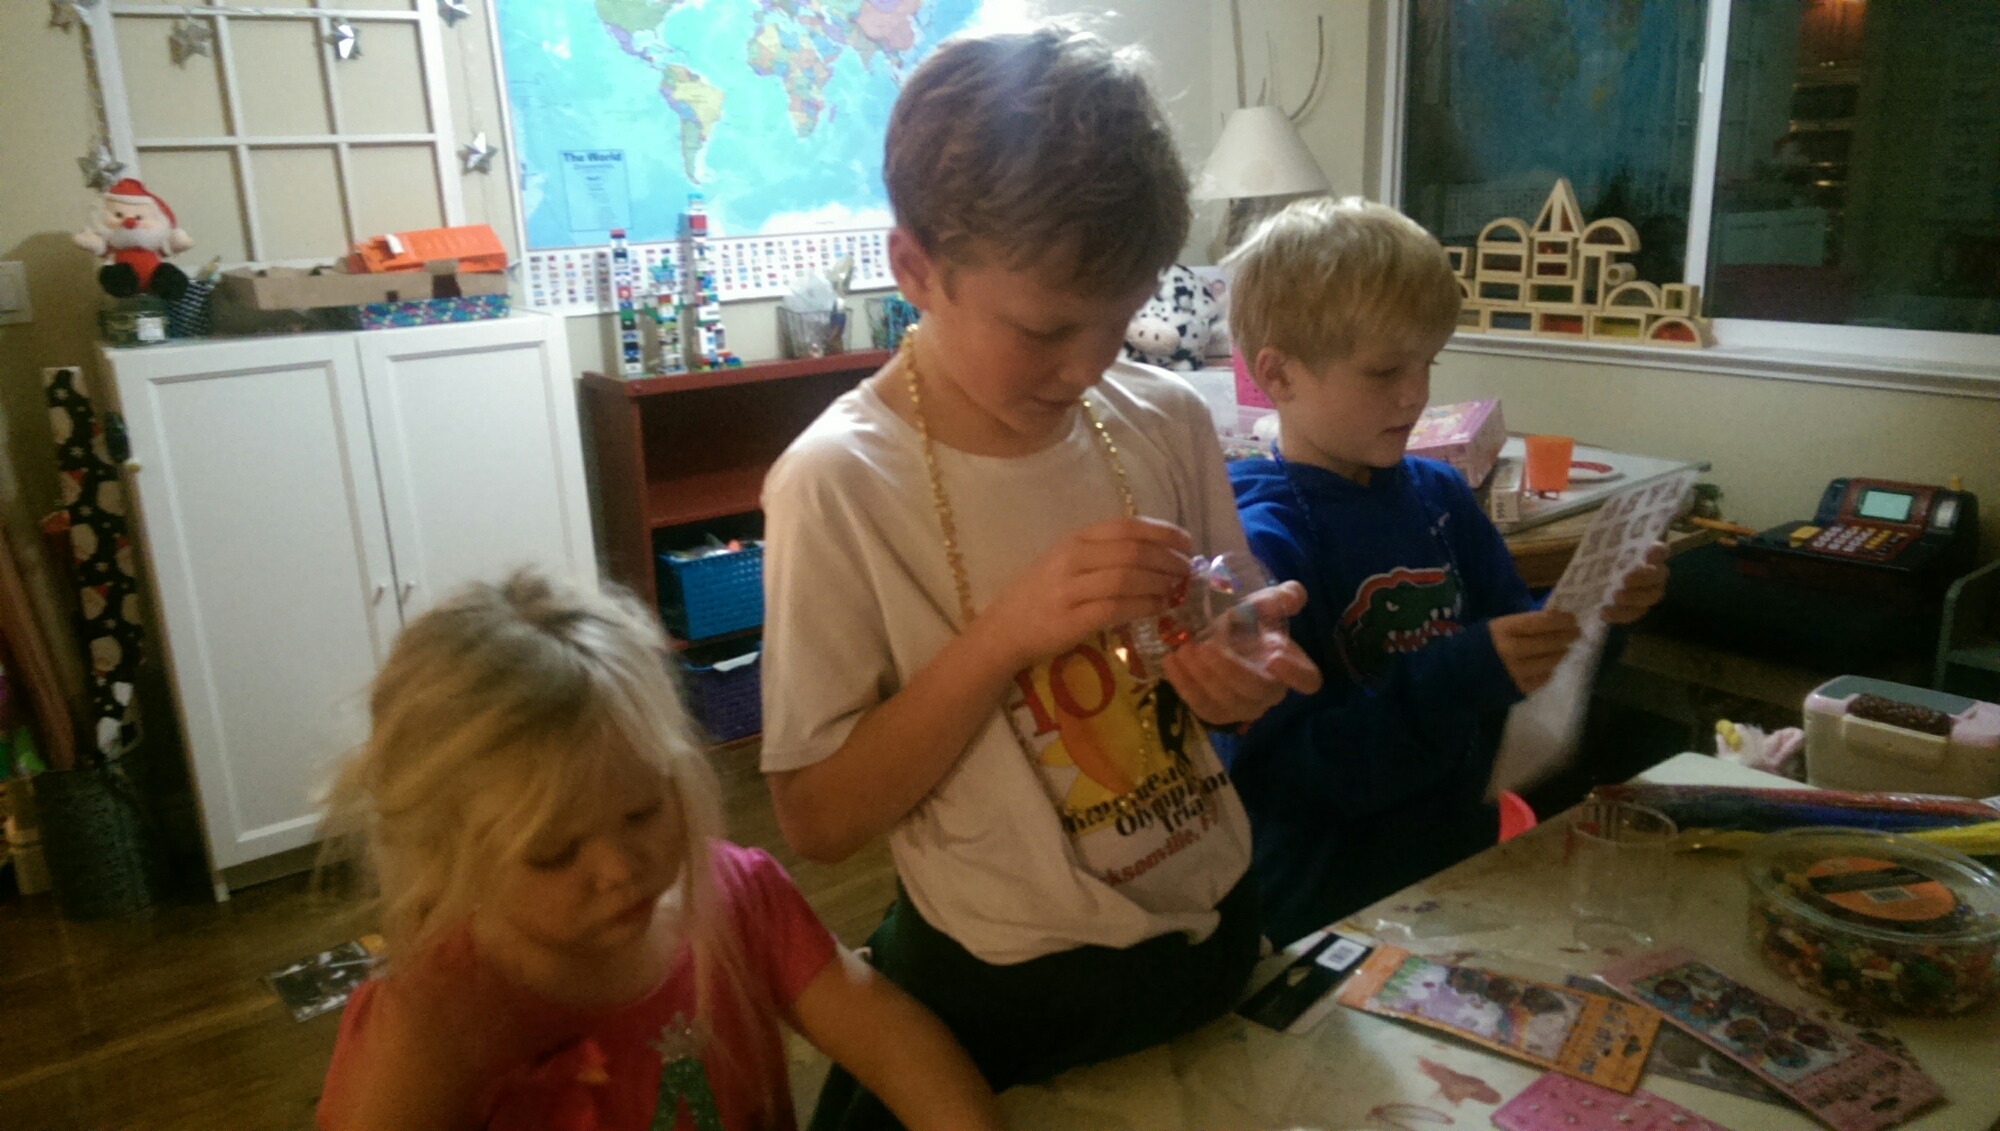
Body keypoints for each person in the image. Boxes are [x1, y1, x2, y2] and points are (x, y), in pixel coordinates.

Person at [756, 26, 1322, 1131]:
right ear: (915, 269)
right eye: (1046, 328)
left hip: (1209, 935)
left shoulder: (1162, 419)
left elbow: (1230, 664)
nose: (1088, 365)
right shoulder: (836, 485)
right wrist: (1005, 633)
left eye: (1121, 319)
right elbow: (816, 820)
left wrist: (1243, 665)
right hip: (1001, 993)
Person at [314, 571, 1000, 1131]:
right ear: (446, 854)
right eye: (554, 851)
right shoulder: (426, 1030)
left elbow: (897, 1045)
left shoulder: (740, 898)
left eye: (643, 811)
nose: (619, 869)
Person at [1224, 197, 1670, 947]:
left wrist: (1596, 613)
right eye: (1383, 371)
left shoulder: (1437, 493)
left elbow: (1516, 656)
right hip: (1329, 906)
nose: (1416, 394)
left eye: (1428, 362)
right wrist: (1464, 673)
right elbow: (1288, 778)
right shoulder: (1261, 540)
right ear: (1279, 374)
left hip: (1458, 865)